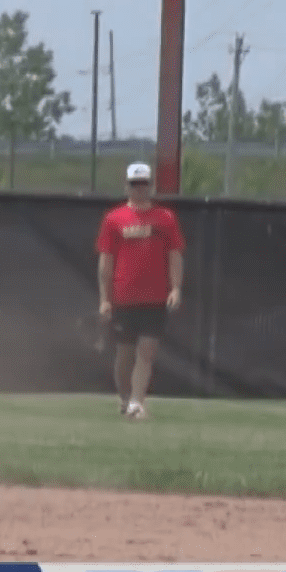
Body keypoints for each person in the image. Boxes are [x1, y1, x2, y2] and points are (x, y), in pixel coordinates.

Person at [95, 161, 184, 421]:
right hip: (124, 297)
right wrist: (104, 298)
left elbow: (175, 255)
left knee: (147, 352)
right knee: (124, 353)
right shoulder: (114, 219)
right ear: (127, 186)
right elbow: (106, 260)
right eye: (135, 184)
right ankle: (125, 399)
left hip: (155, 297)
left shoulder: (166, 218)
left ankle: (137, 402)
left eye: (144, 183)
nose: (139, 188)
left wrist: (176, 288)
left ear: (151, 185)